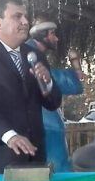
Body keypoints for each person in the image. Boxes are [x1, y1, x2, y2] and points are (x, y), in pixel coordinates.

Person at [0, 0, 62, 174]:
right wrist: (9, 136)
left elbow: (53, 103)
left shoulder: (34, 55)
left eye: (25, 16)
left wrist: (48, 83)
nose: (25, 22)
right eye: (17, 16)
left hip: (35, 158)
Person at [26, 14, 85, 172]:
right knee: (55, 168)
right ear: (41, 34)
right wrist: (75, 74)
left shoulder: (35, 54)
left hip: (44, 123)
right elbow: (53, 80)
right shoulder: (30, 55)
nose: (56, 38)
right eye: (52, 34)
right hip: (45, 125)